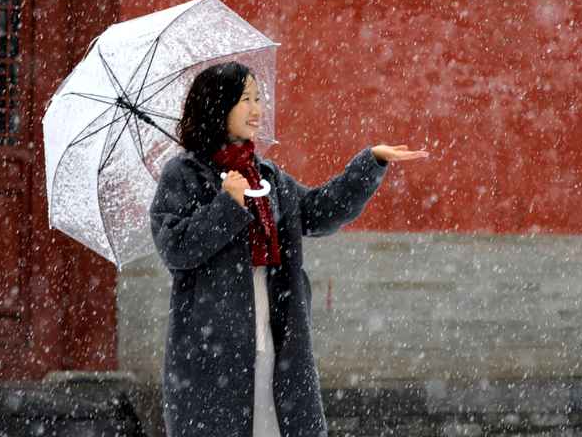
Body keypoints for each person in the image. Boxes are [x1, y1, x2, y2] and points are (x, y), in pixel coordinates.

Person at [150, 61, 428, 437]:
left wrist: (370, 164)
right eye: (245, 99)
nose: (256, 109)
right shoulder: (183, 175)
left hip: (279, 339)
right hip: (213, 351)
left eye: (258, 98)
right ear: (218, 105)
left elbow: (319, 212)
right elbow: (176, 248)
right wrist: (226, 205)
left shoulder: (266, 176)